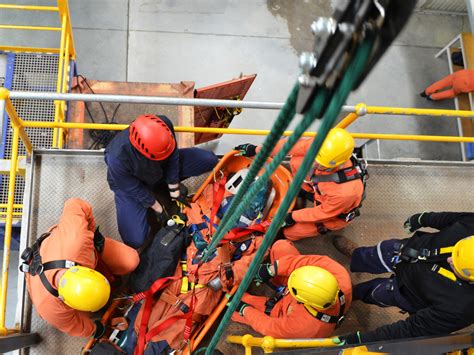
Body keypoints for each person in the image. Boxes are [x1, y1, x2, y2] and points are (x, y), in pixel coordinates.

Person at [333, 212, 474, 345]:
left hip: (407, 292)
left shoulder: (464, 308)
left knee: (376, 293)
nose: (449, 259)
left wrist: (364, 339)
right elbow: (452, 218)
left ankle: (353, 294)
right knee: (373, 254)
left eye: (456, 266)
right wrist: (422, 218)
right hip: (405, 250)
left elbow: (411, 329)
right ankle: (357, 255)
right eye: (456, 252)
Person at [20, 198, 140, 338]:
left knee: (131, 260)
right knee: (85, 316)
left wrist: (92, 234)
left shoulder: (77, 239)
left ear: (89, 271)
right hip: (49, 271)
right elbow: (75, 326)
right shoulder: (49, 307)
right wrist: (96, 330)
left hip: (71, 245)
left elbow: (75, 203)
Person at [104, 114, 218, 248]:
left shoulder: (164, 125)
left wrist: (174, 187)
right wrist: (159, 209)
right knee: (134, 240)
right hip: (133, 186)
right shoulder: (116, 158)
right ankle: (157, 192)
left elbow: (173, 157)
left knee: (208, 160)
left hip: (160, 170)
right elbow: (134, 189)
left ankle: (162, 187)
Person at [234, 128, 366, 241]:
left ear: (338, 163)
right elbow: (289, 147)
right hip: (320, 191)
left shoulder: (345, 193)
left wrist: (292, 216)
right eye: (314, 159)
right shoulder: (323, 147)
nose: (314, 164)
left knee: (288, 233)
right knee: (297, 160)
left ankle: (289, 232)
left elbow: (323, 213)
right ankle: (305, 190)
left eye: (320, 164)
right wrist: (258, 150)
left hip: (331, 214)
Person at [231, 239, 352, 338]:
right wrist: (272, 270)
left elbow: (270, 326)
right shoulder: (340, 276)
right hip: (294, 297)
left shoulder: (306, 327)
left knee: (232, 307)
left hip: (283, 310)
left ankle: (243, 306)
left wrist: (245, 310)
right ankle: (277, 281)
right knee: (281, 246)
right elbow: (306, 261)